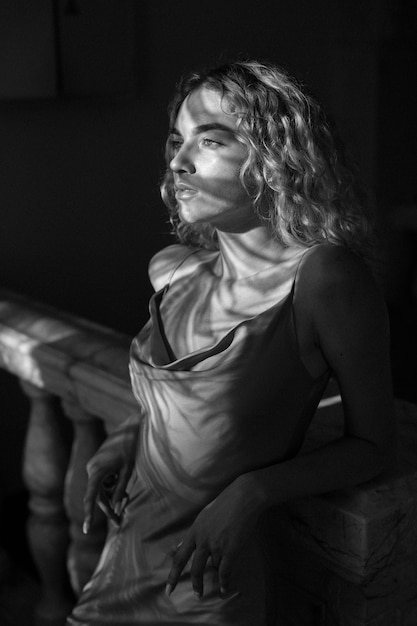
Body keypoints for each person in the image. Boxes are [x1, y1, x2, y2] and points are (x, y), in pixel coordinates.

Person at [66, 60, 394, 625]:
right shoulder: (172, 272)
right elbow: (174, 404)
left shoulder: (325, 281)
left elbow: (373, 444)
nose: (178, 161)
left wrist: (253, 492)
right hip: (117, 564)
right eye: (176, 140)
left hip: (203, 588)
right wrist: (128, 436)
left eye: (209, 140)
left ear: (274, 159)